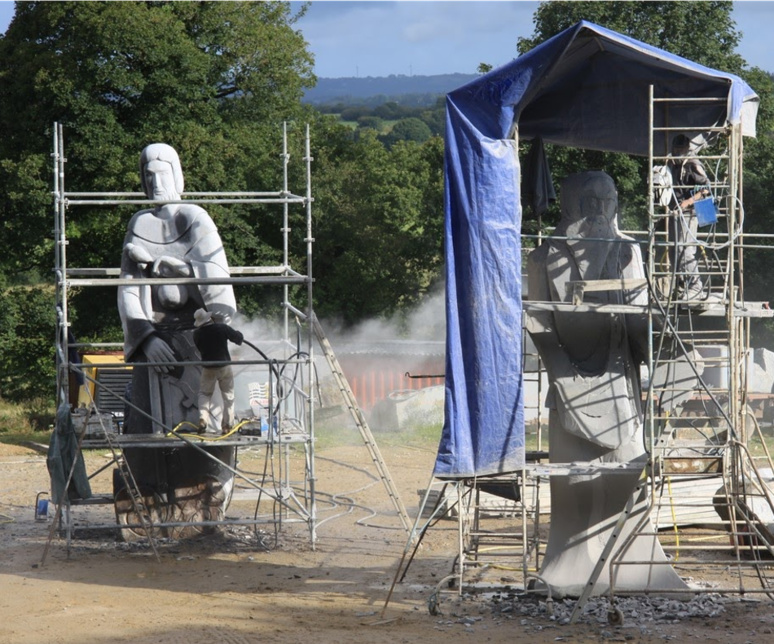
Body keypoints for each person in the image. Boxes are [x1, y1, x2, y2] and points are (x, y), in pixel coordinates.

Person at [526, 171, 686, 597]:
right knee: (573, 483)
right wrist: (561, 372)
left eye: (607, 200)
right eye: (590, 201)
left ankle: (629, 565)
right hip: (566, 386)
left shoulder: (625, 251)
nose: (599, 211)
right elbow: (538, 321)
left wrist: (659, 355)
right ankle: (568, 565)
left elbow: (638, 318)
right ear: (571, 204)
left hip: (618, 384)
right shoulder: (542, 258)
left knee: (624, 473)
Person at [117, 143, 237, 434]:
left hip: (197, 338)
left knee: (203, 411)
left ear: (177, 176)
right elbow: (128, 290)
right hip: (154, 339)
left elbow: (216, 278)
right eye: (149, 176)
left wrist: (172, 265)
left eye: (163, 174)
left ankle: (208, 473)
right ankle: (151, 477)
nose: (156, 184)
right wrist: (146, 338)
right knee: (149, 423)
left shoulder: (195, 218)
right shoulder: (139, 223)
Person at [666, 134, 711, 299]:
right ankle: (681, 284)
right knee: (673, 250)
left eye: (680, 150)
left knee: (684, 248)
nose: (677, 152)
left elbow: (706, 187)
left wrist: (688, 201)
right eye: (675, 149)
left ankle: (696, 287)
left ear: (686, 149)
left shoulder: (692, 164)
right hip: (674, 211)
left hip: (689, 212)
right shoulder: (671, 163)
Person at [193, 308, 243, 434]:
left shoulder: (197, 334)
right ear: (209, 318)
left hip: (208, 367)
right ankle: (227, 426)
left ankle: (203, 419)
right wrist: (239, 335)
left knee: (204, 394)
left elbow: (200, 348)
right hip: (224, 366)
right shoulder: (222, 328)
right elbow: (238, 339)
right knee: (228, 396)